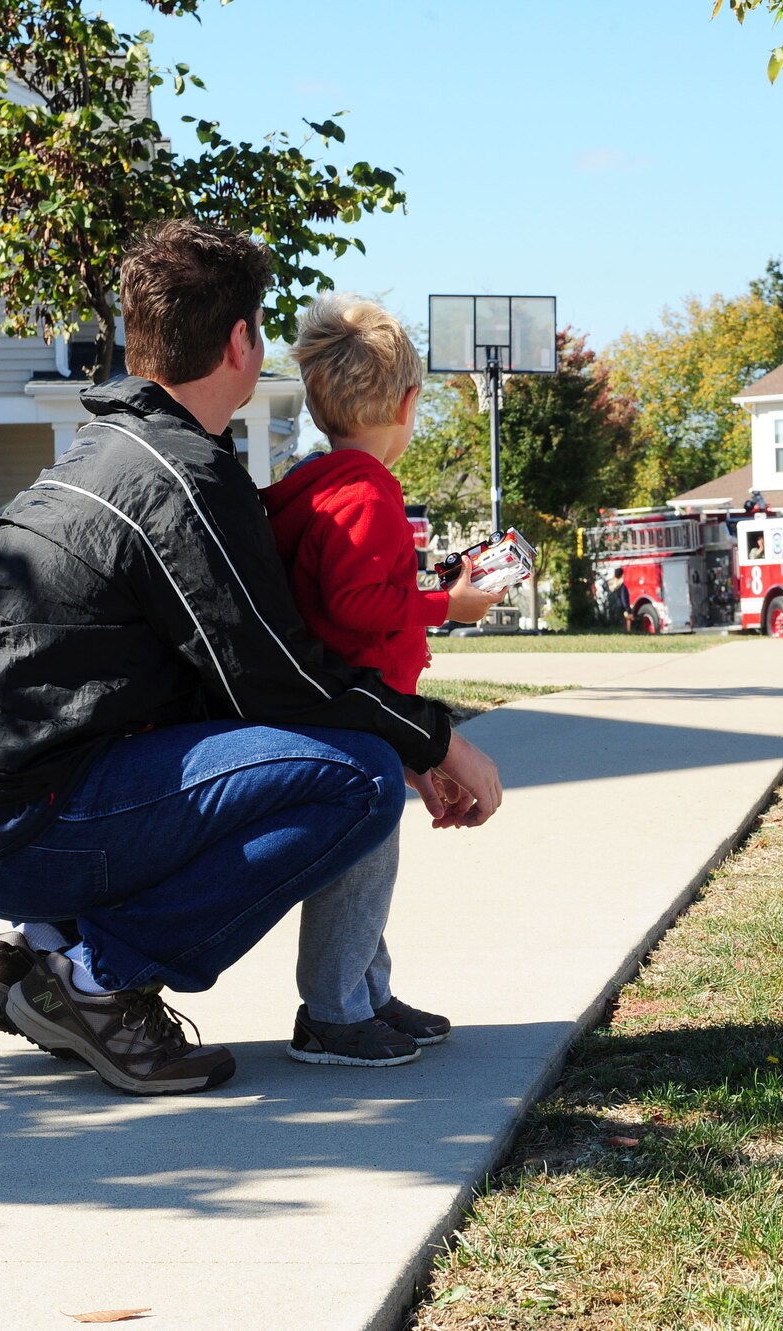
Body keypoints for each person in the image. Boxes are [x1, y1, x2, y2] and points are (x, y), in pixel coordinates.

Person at [0, 220, 503, 1096]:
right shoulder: (179, 480)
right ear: (240, 341)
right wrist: (436, 741)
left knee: (302, 750)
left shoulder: (108, 450)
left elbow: (228, 685)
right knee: (361, 777)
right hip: (19, 820)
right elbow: (284, 681)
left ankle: (44, 939)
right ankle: (96, 978)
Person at [257, 296, 503, 1063]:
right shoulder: (369, 490)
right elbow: (356, 603)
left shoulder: (318, 482)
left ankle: (366, 993)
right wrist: (449, 603)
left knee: (366, 865)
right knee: (363, 863)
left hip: (352, 707)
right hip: (357, 711)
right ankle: (333, 1011)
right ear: (406, 403)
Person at [601, 567, 631, 632]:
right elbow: (624, 599)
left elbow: (603, 586)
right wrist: (628, 609)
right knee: (622, 625)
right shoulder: (622, 586)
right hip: (620, 608)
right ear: (622, 575)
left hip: (610, 606)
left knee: (612, 624)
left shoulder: (609, 584)